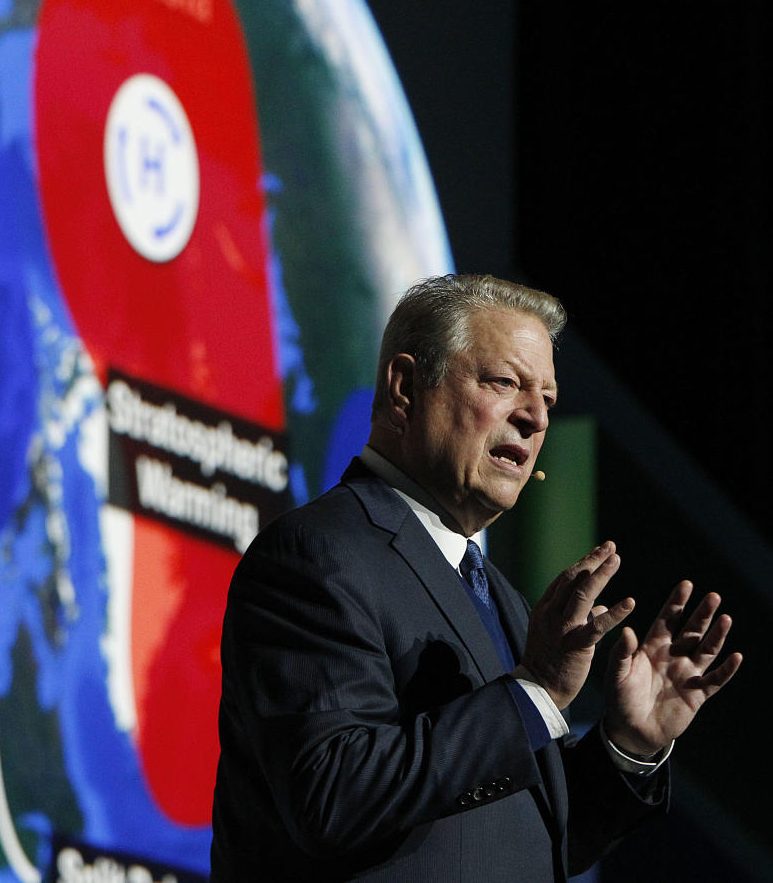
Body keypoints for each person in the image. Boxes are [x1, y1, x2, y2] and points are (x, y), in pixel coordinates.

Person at [210, 274, 741, 882]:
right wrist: (534, 689)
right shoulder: (318, 555)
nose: (535, 418)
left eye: (549, 399)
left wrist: (629, 746)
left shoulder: (503, 601)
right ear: (406, 387)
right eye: (505, 382)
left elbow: (530, 842)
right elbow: (332, 798)